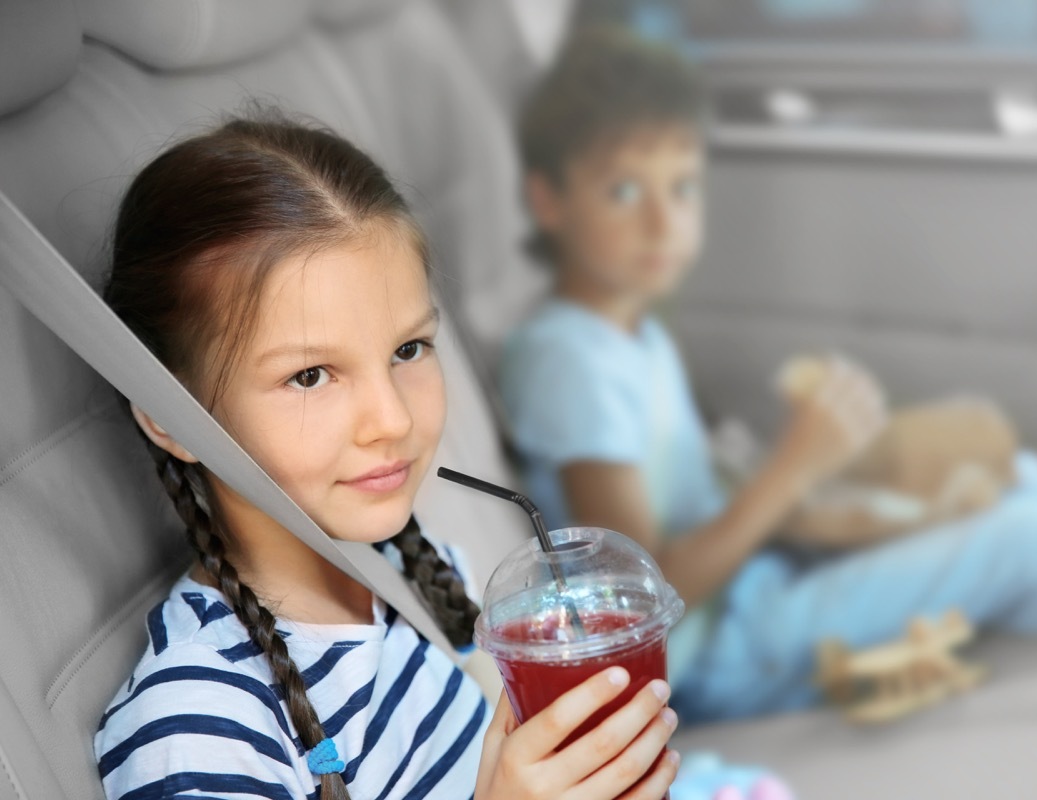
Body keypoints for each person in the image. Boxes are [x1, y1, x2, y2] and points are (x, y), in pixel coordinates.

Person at [498, 26, 1037, 725]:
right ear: (549, 200)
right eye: (623, 190)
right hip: (720, 652)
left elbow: (691, 501)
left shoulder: (628, 333)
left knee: (1008, 473)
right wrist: (792, 472)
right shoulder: (570, 366)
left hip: (750, 588)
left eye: (682, 187)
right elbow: (640, 610)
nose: (663, 222)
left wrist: (811, 499)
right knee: (1029, 542)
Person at [93, 113, 682, 800]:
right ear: (170, 414)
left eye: (408, 350)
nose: (394, 420)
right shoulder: (198, 730)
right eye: (310, 375)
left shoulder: (420, 573)